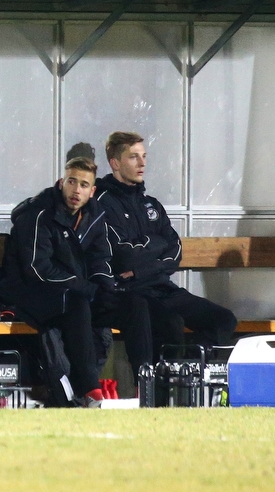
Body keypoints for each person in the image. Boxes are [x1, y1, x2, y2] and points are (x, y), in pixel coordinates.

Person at [93, 131, 237, 357]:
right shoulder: (102, 203)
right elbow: (124, 256)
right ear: (115, 163)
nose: (142, 163)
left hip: (162, 287)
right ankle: (163, 383)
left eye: (144, 156)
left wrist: (143, 266)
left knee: (223, 320)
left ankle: (183, 370)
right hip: (132, 292)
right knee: (170, 324)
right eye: (133, 157)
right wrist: (157, 248)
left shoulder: (151, 204)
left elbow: (175, 249)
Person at [0, 157, 111, 407]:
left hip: (69, 291)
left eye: (83, 185)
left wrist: (104, 287)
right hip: (27, 291)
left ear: (92, 192)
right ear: (61, 183)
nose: (76, 190)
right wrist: (86, 288)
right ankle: (89, 388)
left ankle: (148, 388)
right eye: (72, 182)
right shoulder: (38, 214)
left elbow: (101, 258)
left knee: (131, 306)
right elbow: (38, 268)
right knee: (76, 304)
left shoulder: (93, 216)